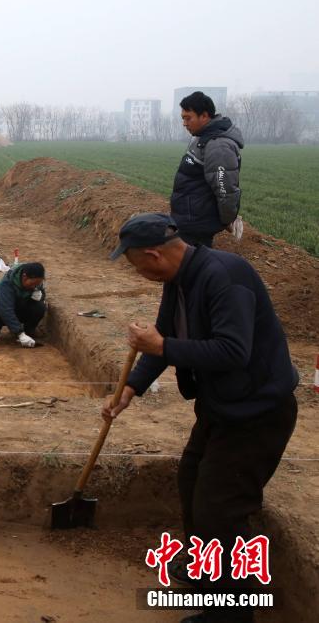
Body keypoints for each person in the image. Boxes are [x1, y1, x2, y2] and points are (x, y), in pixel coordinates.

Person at [104, 213, 298, 623]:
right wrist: (131, 388)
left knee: (220, 508)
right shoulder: (179, 279)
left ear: (154, 255)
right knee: (191, 481)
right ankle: (207, 571)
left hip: (257, 413)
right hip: (221, 406)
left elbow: (233, 351)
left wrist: (162, 346)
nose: (139, 274)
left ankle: (231, 613)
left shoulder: (224, 277)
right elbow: (164, 336)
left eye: (137, 266)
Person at [171, 91, 244, 248]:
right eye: (183, 118)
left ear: (204, 116)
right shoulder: (202, 138)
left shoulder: (218, 145)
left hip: (198, 225)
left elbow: (225, 190)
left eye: (188, 118)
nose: (184, 123)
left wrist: (228, 218)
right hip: (190, 221)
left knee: (192, 262)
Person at [0, 262, 46, 347]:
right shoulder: (7, 283)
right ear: (24, 277)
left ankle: (29, 330)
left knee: (40, 306)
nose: (34, 287)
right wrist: (19, 333)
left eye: (37, 284)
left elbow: (41, 296)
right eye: (32, 284)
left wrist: (41, 296)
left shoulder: (37, 282)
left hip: (19, 306)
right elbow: (6, 309)